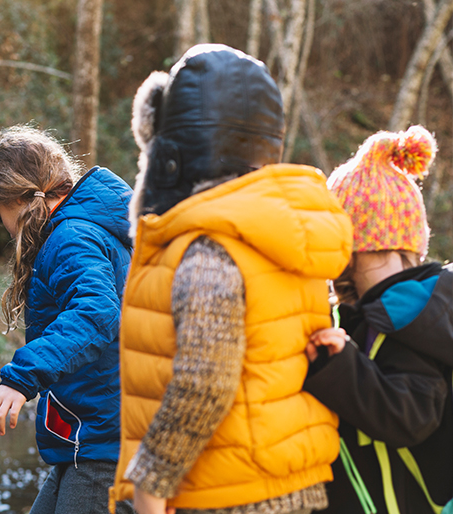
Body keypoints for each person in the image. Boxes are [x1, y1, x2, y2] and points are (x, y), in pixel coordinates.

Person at [108, 44, 353, 514]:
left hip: (222, 495)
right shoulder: (283, 232)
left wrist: (151, 487)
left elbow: (204, 380)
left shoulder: (207, 247)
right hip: (294, 485)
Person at [0, 125, 135, 514]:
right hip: (93, 437)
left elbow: (96, 313)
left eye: (0, 218)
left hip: (105, 442)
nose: (6, 230)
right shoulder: (86, 228)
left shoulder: (71, 236)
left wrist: (22, 378)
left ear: (20, 200)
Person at [303, 125, 453, 514]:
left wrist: (341, 365)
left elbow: (410, 415)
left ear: (357, 244)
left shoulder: (406, 317)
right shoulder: (390, 309)